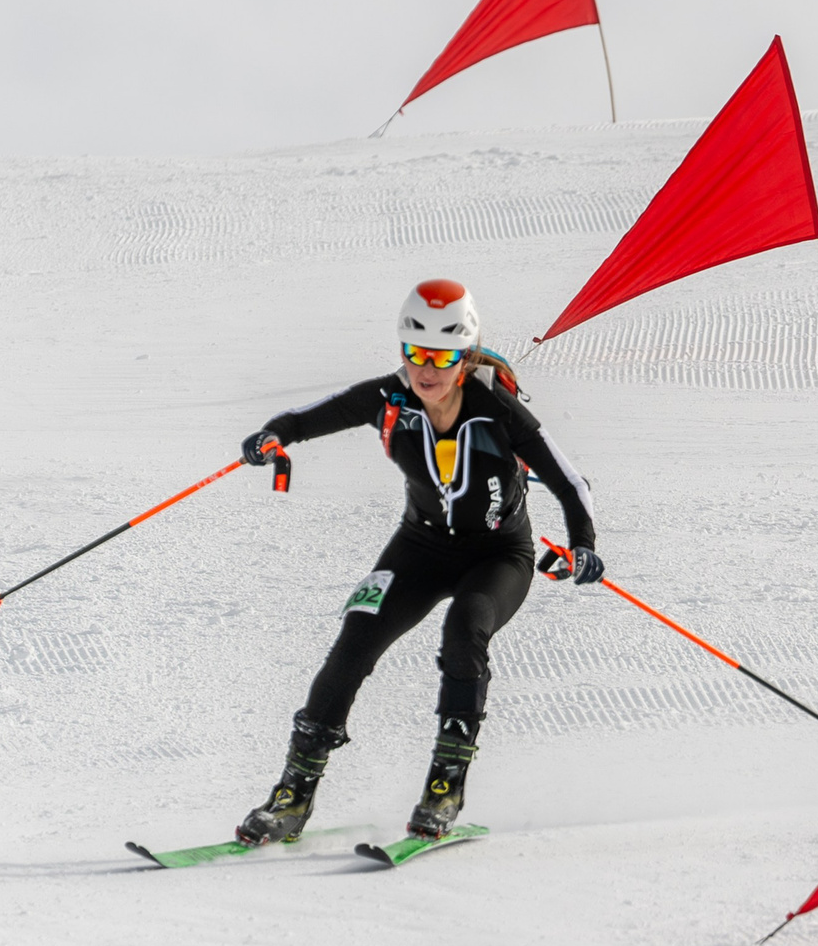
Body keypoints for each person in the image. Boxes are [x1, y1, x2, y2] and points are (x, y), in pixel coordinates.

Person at [230, 279, 602, 846]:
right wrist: (271, 437)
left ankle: (443, 788)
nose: (426, 370)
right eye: (416, 354)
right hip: (420, 546)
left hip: (498, 553)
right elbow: (306, 418)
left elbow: (570, 483)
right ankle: (292, 796)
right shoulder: (390, 398)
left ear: (465, 356)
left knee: (465, 631)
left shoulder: (494, 408)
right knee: (357, 636)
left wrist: (583, 545)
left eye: (442, 357)